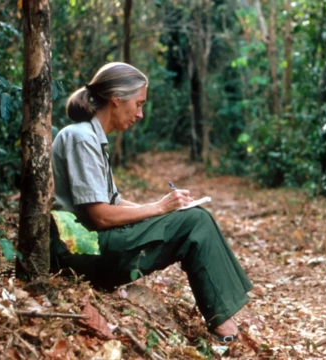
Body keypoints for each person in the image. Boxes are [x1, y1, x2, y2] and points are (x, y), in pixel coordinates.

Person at [50, 62, 253, 342]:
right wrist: (160, 209)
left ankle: (226, 317)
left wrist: (166, 207)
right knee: (195, 222)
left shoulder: (92, 138)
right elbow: (100, 216)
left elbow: (114, 202)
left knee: (194, 216)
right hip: (80, 250)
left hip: (91, 245)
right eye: (138, 104)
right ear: (116, 99)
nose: (140, 113)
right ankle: (224, 327)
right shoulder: (81, 137)